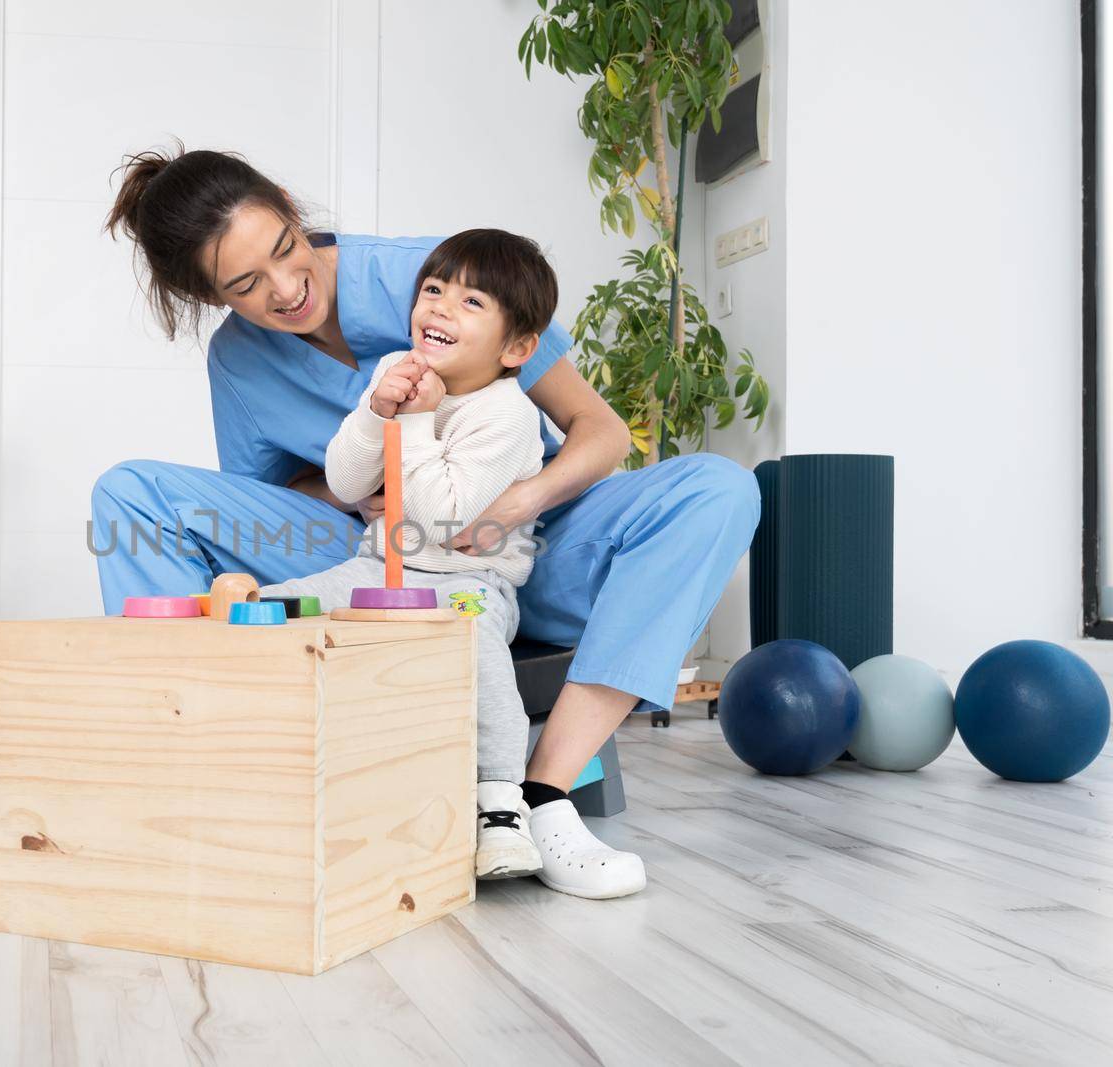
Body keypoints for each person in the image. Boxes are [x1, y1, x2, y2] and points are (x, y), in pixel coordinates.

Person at [96, 146, 760, 899]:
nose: (287, 288)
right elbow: (282, 496)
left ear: (289, 205)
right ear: (210, 293)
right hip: (374, 556)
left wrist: (518, 501)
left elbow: (600, 431)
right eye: (245, 284)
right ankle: (192, 771)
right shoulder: (238, 364)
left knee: (720, 489)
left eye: (286, 248)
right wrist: (362, 489)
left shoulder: (437, 280)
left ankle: (540, 796)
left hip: (531, 543)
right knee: (129, 497)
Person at [259, 227, 555, 883]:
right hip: (377, 569)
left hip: (470, 583)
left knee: (476, 646)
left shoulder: (507, 415)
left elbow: (440, 517)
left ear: (517, 347)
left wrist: (415, 421)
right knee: (280, 605)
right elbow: (343, 481)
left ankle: (501, 806)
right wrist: (376, 412)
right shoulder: (397, 371)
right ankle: (269, 761)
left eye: (471, 302)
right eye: (433, 290)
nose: (441, 308)